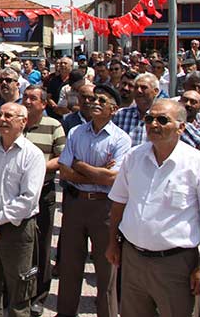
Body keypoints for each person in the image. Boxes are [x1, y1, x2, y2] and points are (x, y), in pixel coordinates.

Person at [106, 99, 200, 316]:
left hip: (175, 264)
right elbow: (119, 201)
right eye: (149, 118)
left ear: (181, 127)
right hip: (133, 260)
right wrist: (112, 242)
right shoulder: (134, 156)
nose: (153, 124)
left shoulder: (194, 163)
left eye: (162, 119)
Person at [56, 84, 130, 317]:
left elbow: (111, 179)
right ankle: (66, 312)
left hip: (104, 207)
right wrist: (95, 171)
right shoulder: (76, 132)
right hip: (76, 203)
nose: (95, 103)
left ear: (114, 109)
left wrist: (79, 164)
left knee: (106, 267)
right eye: (93, 99)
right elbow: (64, 170)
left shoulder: (121, 139)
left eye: (102, 101)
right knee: (70, 264)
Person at [0, 102, 46, 317]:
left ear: (23, 122)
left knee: (18, 291)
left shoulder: (32, 155)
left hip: (17, 230)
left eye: (9, 116)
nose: (2, 119)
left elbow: (28, 199)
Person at [20, 86, 66, 316]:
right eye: (25, 97)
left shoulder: (54, 126)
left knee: (41, 246)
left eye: (33, 98)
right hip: (16, 195)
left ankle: (39, 296)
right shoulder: (17, 122)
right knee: (18, 245)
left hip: (43, 192)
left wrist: (35, 169)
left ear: (44, 104)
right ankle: (17, 292)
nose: (27, 101)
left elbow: (63, 157)